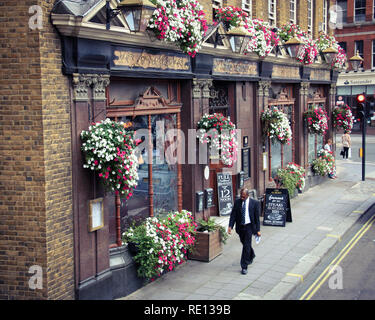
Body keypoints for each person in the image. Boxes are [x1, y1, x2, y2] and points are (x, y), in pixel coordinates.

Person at [228, 188, 261, 275]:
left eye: (243, 197)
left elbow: (257, 218)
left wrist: (258, 230)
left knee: (246, 245)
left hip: (249, 226)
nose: (242, 198)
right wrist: (230, 226)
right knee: (245, 244)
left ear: (247, 195)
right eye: (241, 196)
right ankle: (251, 254)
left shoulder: (255, 203)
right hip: (240, 227)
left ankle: (244, 266)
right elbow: (233, 215)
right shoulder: (237, 202)